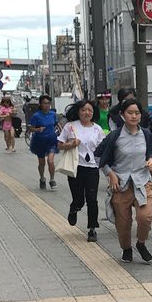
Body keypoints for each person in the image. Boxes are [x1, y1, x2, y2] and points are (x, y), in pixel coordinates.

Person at [97, 98, 152, 262]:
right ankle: (126, 249)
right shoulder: (114, 136)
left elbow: (150, 152)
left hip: (142, 181)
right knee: (123, 223)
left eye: (137, 113)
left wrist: (151, 160)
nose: (134, 116)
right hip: (121, 183)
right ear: (122, 115)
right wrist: (110, 174)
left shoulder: (146, 133)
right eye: (130, 113)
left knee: (145, 217)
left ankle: (141, 243)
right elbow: (98, 155)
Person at [57, 99, 106, 242]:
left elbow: (102, 148)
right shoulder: (70, 126)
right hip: (76, 167)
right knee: (79, 199)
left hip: (92, 168)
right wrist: (71, 144)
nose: (87, 112)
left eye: (90, 110)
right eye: (84, 110)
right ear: (78, 111)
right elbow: (60, 145)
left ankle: (92, 229)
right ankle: (74, 208)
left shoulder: (97, 129)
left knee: (92, 199)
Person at [29, 95, 60, 189]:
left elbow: (56, 124)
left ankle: (52, 179)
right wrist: (38, 129)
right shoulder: (36, 116)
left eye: (48, 103)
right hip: (40, 141)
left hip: (51, 139)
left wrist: (61, 131)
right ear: (40, 104)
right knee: (41, 162)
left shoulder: (53, 114)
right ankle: (42, 178)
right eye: (44, 103)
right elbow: (30, 128)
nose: (47, 105)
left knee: (50, 161)